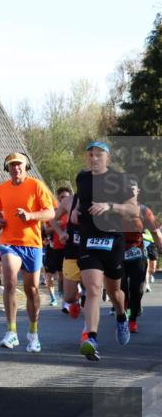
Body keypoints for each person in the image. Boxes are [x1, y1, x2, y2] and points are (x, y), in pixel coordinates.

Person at [72, 141, 138, 361]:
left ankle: (121, 317)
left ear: (108, 158)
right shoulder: (82, 178)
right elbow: (80, 198)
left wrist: (110, 206)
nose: (94, 158)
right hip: (89, 240)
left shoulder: (120, 180)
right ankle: (91, 338)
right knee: (92, 289)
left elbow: (133, 208)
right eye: (90, 155)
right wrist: (74, 211)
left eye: (99, 155)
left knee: (115, 294)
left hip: (112, 241)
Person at [0, 153, 56, 353]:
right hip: (9, 242)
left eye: (19, 164)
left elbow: (50, 213)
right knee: (10, 281)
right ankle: (11, 332)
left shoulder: (36, 186)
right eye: (11, 165)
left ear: (26, 166)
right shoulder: (1, 189)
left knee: (32, 290)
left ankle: (33, 333)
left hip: (32, 244)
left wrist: (30, 215)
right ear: (7, 168)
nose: (15, 168)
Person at [120, 184, 162, 333]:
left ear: (138, 192)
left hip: (137, 252)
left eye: (133, 189)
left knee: (137, 287)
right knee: (122, 286)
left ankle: (132, 320)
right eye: (127, 189)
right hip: (117, 252)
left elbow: (155, 232)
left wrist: (161, 247)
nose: (130, 192)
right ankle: (123, 311)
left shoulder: (144, 211)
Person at [43, 186, 73, 306]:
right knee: (60, 275)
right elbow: (46, 229)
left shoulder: (74, 210)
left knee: (72, 274)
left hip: (73, 246)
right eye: (61, 197)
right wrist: (58, 225)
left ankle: (74, 295)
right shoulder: (55, 212)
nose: (63, 199)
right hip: (57, 247)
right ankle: (60, 297)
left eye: (65, 197)